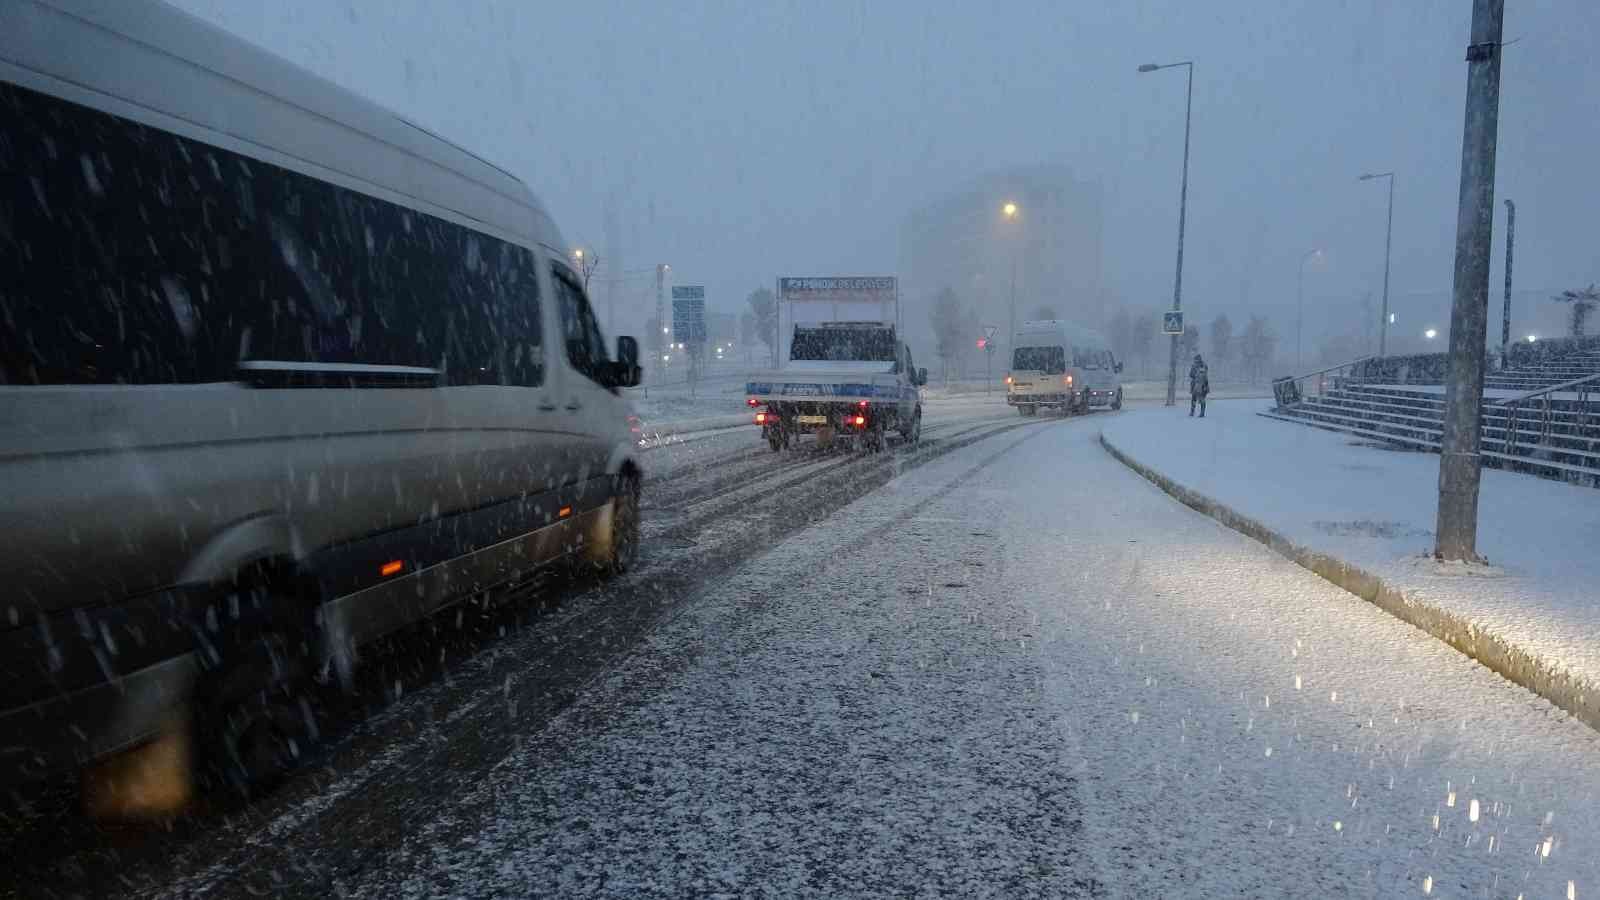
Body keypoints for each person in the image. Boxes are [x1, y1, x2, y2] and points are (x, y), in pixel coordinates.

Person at [1188, 353, 1210, 417]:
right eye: (1195, 360)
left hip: (1202, 385)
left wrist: (1204, 385)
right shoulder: (1194, 366)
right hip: (1196, 385)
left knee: (1201, 399)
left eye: (1196, 360)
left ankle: (1202, 413)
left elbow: (1204, 376)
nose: (1195, 361)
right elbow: (1191, 375)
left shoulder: (1203, 365)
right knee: (1194, 398)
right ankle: (1192, 412)